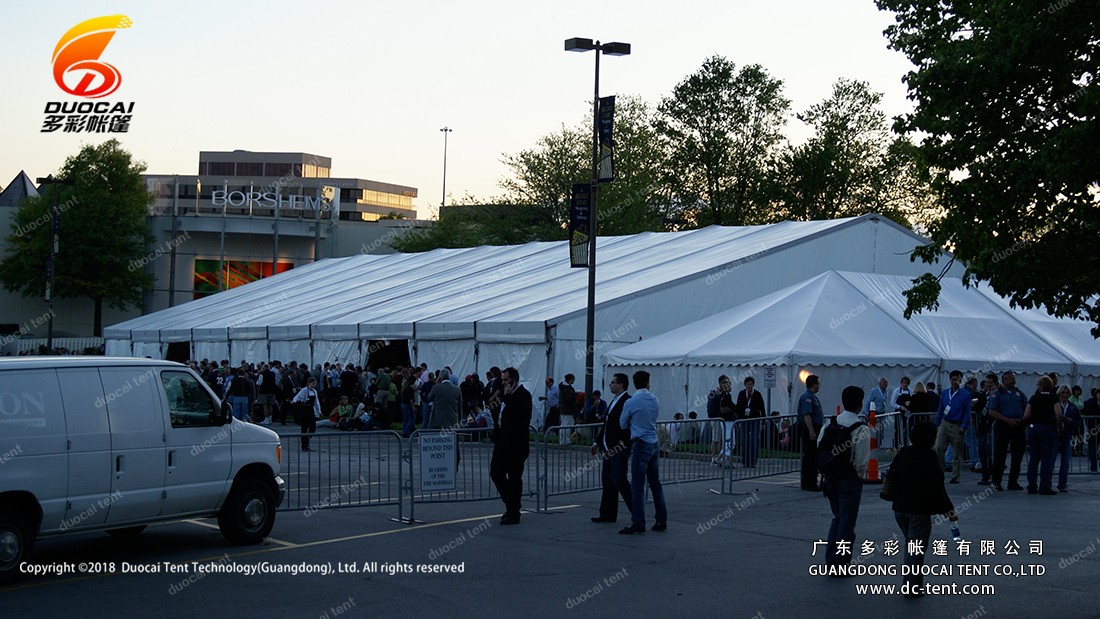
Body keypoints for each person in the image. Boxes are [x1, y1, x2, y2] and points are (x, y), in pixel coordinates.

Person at [889, 421, 958, 597]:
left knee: (911, 545)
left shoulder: (903, 452)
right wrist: (949, 511)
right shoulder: (930, 457)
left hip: (899, 508)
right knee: (916, 550)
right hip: (919, 511)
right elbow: (938, 489)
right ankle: (912, 587)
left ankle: (911, 584)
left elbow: (892, 475)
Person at [818, 385, 870, 568]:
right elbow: (861, 461)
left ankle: (831, 559)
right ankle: (841, 563)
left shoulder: (831, 423)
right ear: (860, 404)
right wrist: (859, 477)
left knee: (838, 517)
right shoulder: (860, 428)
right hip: (849, 480)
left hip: (831, 478)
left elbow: (820, 445)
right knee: (847, 523)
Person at [619, 370, 668, 534]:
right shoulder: (654, 399)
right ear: (648, 382)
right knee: (656, 484)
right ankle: (661, 520)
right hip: (653, 442)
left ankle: (638, 522)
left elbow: (623, 424)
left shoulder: (631, 402)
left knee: (638, 486)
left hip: (640, 443)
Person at [490, 367, 532, 525]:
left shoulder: (523, 395)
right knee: (495, 472)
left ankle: (514, 512)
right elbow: (501, 417)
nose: (504, 383)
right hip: (502, 443)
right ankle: (511, 504)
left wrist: (507, 398)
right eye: (502, 380)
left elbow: (519, 418)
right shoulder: (505, 396)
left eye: (506, 380)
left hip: (516, 445)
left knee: (514, 478)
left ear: (514, 380)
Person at [591, 373, 632, 524]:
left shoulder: (627, 401)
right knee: (608, 481)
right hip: (608, 447)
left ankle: (636, 511)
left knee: (619, 479)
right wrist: (597, 442)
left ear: (621, 384)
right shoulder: (614, 401)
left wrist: (623, 444)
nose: (610, 385)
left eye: (613, 382)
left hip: (619, 447)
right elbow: (607, 425)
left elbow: (625, 426)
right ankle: (607, 513)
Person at [988, 371, 1029, 491]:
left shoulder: (1019, 393)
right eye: (1011, 379)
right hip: (1003, 426)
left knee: (1017, 456)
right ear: (1004, 380)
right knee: (1000, 455)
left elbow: (1026, 408)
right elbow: (992, 411)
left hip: (1017, 427)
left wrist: (1021, 420)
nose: (1013, 381)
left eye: (1014, 379)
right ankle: (996, 482)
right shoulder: (997, 394)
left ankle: (1013, 482)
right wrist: (1007, 420)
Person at [1025, 375, 1062, 495]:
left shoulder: (1034, 398)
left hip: (1034, 428)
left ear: (1040, 386)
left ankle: (1031, 485)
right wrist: (1057, 426)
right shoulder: (1053, 398)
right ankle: (1044, 486)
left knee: (1034, 458)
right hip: (1048, 428)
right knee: (1046, 458)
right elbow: (1058, 414)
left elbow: (1026, 414)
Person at [934, 370, 972, 484]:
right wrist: (937, 423)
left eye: (957, 380)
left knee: (957, 452)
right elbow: (941, 408)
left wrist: (964, 425)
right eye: (953, 379)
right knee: (939, 448)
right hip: (945, 423)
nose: (955, 382)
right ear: (950, 380)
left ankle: (955, 476)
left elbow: (967, 411)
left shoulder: (965, 394)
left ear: (961, 380)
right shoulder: (945, 393)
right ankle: (940, 472)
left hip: (957, 424)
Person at [799, 375, 824, 492]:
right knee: (810, 457)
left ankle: (811, 481)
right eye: (818, 383)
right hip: (811, 428)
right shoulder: (807, 397)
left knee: (813, 456)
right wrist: (811, 431)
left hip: (815, 428)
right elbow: (807, 415)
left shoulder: (813, 397)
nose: (819, 386)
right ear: (813, 384)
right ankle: (809, 482)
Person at [1056, 385, 1082, 492]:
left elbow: (1079, 422)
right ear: (1059, 393)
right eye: (1062, 393)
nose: (1064, 395)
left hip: (1067, 435)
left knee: (1065, 462)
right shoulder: (1055, 405)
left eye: (1067, 393)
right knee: (1050, 460)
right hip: (1055, 435)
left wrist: (1070, 421)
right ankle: (1046, 483)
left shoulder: (1072, 407)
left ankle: (1062, 484)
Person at [735, 376, 766, 467]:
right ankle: (745, 461)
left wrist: (763, 422)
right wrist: (738, 420)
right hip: (744, 420)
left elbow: (762, 408)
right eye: (747, 384)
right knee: (744, 441)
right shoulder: (741, 394)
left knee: (754, 441)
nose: (749, 386)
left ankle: (753, 461)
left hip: (755, 420)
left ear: (753, 384)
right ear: (745, 385)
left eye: (751, 384)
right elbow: (738, 408)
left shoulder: (757, 394)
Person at [708, 375, 736, 467]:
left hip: (726, 419)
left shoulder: (727, 395)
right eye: (724, 382)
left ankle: (723, 459)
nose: (727, 384)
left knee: (725, 441)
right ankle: (716, 458)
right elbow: (727, 406)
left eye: (728, 382)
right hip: (720, 419)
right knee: (719, 439)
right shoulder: (717, 394)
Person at [292, 377, 321, 451]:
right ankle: (304, 446)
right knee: (304, 429)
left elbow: (316, 402)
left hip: (311, 411)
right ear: (309, 383)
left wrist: (319, 411)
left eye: (315, 383)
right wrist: (297, 403)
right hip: (304, 411)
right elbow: (296, 398)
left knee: (313, 428)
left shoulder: (314, 391)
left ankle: (306, 440)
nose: (314, 385)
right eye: (313, 383)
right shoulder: (304, 390)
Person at [557, 374, 578, 446]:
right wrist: (575, 395)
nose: (574, 381)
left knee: (563, 425)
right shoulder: (568, 388)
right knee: (567, 425)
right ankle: (566, 441)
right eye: (573, 379)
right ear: (570, 379)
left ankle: (562, 440)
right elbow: (569, 398)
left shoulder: (562, 387)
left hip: (563, 409)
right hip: (568, 409)